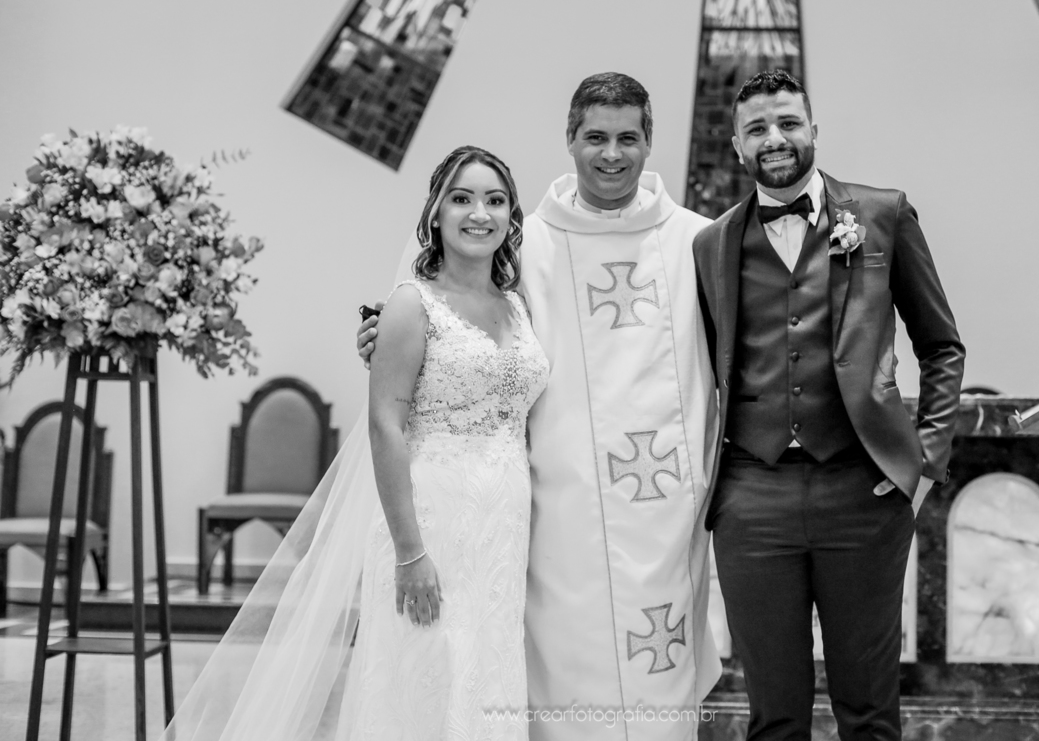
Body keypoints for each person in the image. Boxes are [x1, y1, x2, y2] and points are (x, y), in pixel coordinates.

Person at [360, 73, 721, 740]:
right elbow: (441, 317)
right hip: (554, 518)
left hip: (662, 515)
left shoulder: (700, 243)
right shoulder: (527, 246)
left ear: (650, 142)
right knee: (459, 673)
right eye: (595, 137)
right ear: (569, 139)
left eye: (627, 138)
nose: (611, 154)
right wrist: (381, 340)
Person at [163, 145, 548, 741]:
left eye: (495, 200)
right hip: (429, 524)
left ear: (511, 216)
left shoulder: (520, 308)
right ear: (436, 213)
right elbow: (384, 427)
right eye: (462, 198)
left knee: (486, 676)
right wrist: (410, 553)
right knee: (419, 681)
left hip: (502, 529)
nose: (480, 213)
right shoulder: (411, 305)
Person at [692, 69, 965, 740]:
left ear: (814, 130)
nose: (774, 138)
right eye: (757, 128)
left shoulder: (883, 214)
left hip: (862, 490)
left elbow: (941, 346)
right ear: (736, 145)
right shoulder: (710, 244)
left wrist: (924, 463)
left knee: (869, 711)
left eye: (788, 123)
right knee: (773, 715)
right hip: (752, 497)